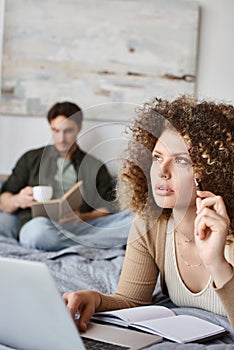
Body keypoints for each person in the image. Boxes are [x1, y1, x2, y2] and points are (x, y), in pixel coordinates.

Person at [63, 95, 234, 331]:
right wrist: (96, 299)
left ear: (214, 171)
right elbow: (132, 301)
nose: (162, 171)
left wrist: (217, 263)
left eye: (182, 160)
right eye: (157, 157)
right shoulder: (149, 223)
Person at [0, 101, 133, 250]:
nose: (61, 138)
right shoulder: (31, 159)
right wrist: (18, 200)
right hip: (40, 224)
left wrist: (82, 218)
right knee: (38, 233)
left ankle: (76, 243)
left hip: (80, 226)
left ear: (79, 128)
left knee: (132, 221)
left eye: (68, 131)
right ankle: (91, 246)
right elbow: (3, 201)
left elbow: (108, 208)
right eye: (55, 131)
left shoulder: (95, 165)